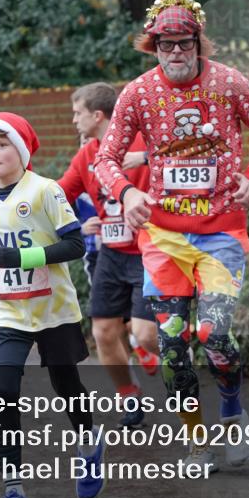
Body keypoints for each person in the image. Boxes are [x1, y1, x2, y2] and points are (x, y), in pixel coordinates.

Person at [95, 0, 249, 471]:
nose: (175, 52)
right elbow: (105, 157)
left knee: (214, 334)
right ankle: (197, 442)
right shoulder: (137, 93)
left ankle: (233, 412)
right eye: (165, 45)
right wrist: (127, 194)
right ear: (153, 47)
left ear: (199, 43)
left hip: (221, 231)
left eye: (183, 43)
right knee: (174, 344)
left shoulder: (228, 83)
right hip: (163, 239)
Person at [0, 112, 105, 498]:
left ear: (20, 151)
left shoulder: (46, 191)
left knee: (67, 384)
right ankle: (14, 494)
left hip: (53, 307)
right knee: (3, 394)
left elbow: (75, 244)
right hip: (8, 311)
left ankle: (88, 443)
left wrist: (24, 257)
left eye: (1, 145)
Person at [57, 82, 159, 428]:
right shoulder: (86, 156)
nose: (74, 121)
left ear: (97, 115)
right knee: (102, 330)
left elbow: (181, 158)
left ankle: (178, 350)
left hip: (150, 250)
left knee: (145, 335)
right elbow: (59, 196)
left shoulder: (143, 142)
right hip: (112, 254)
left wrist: (146, 159)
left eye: (77, 113)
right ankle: (129, 397)